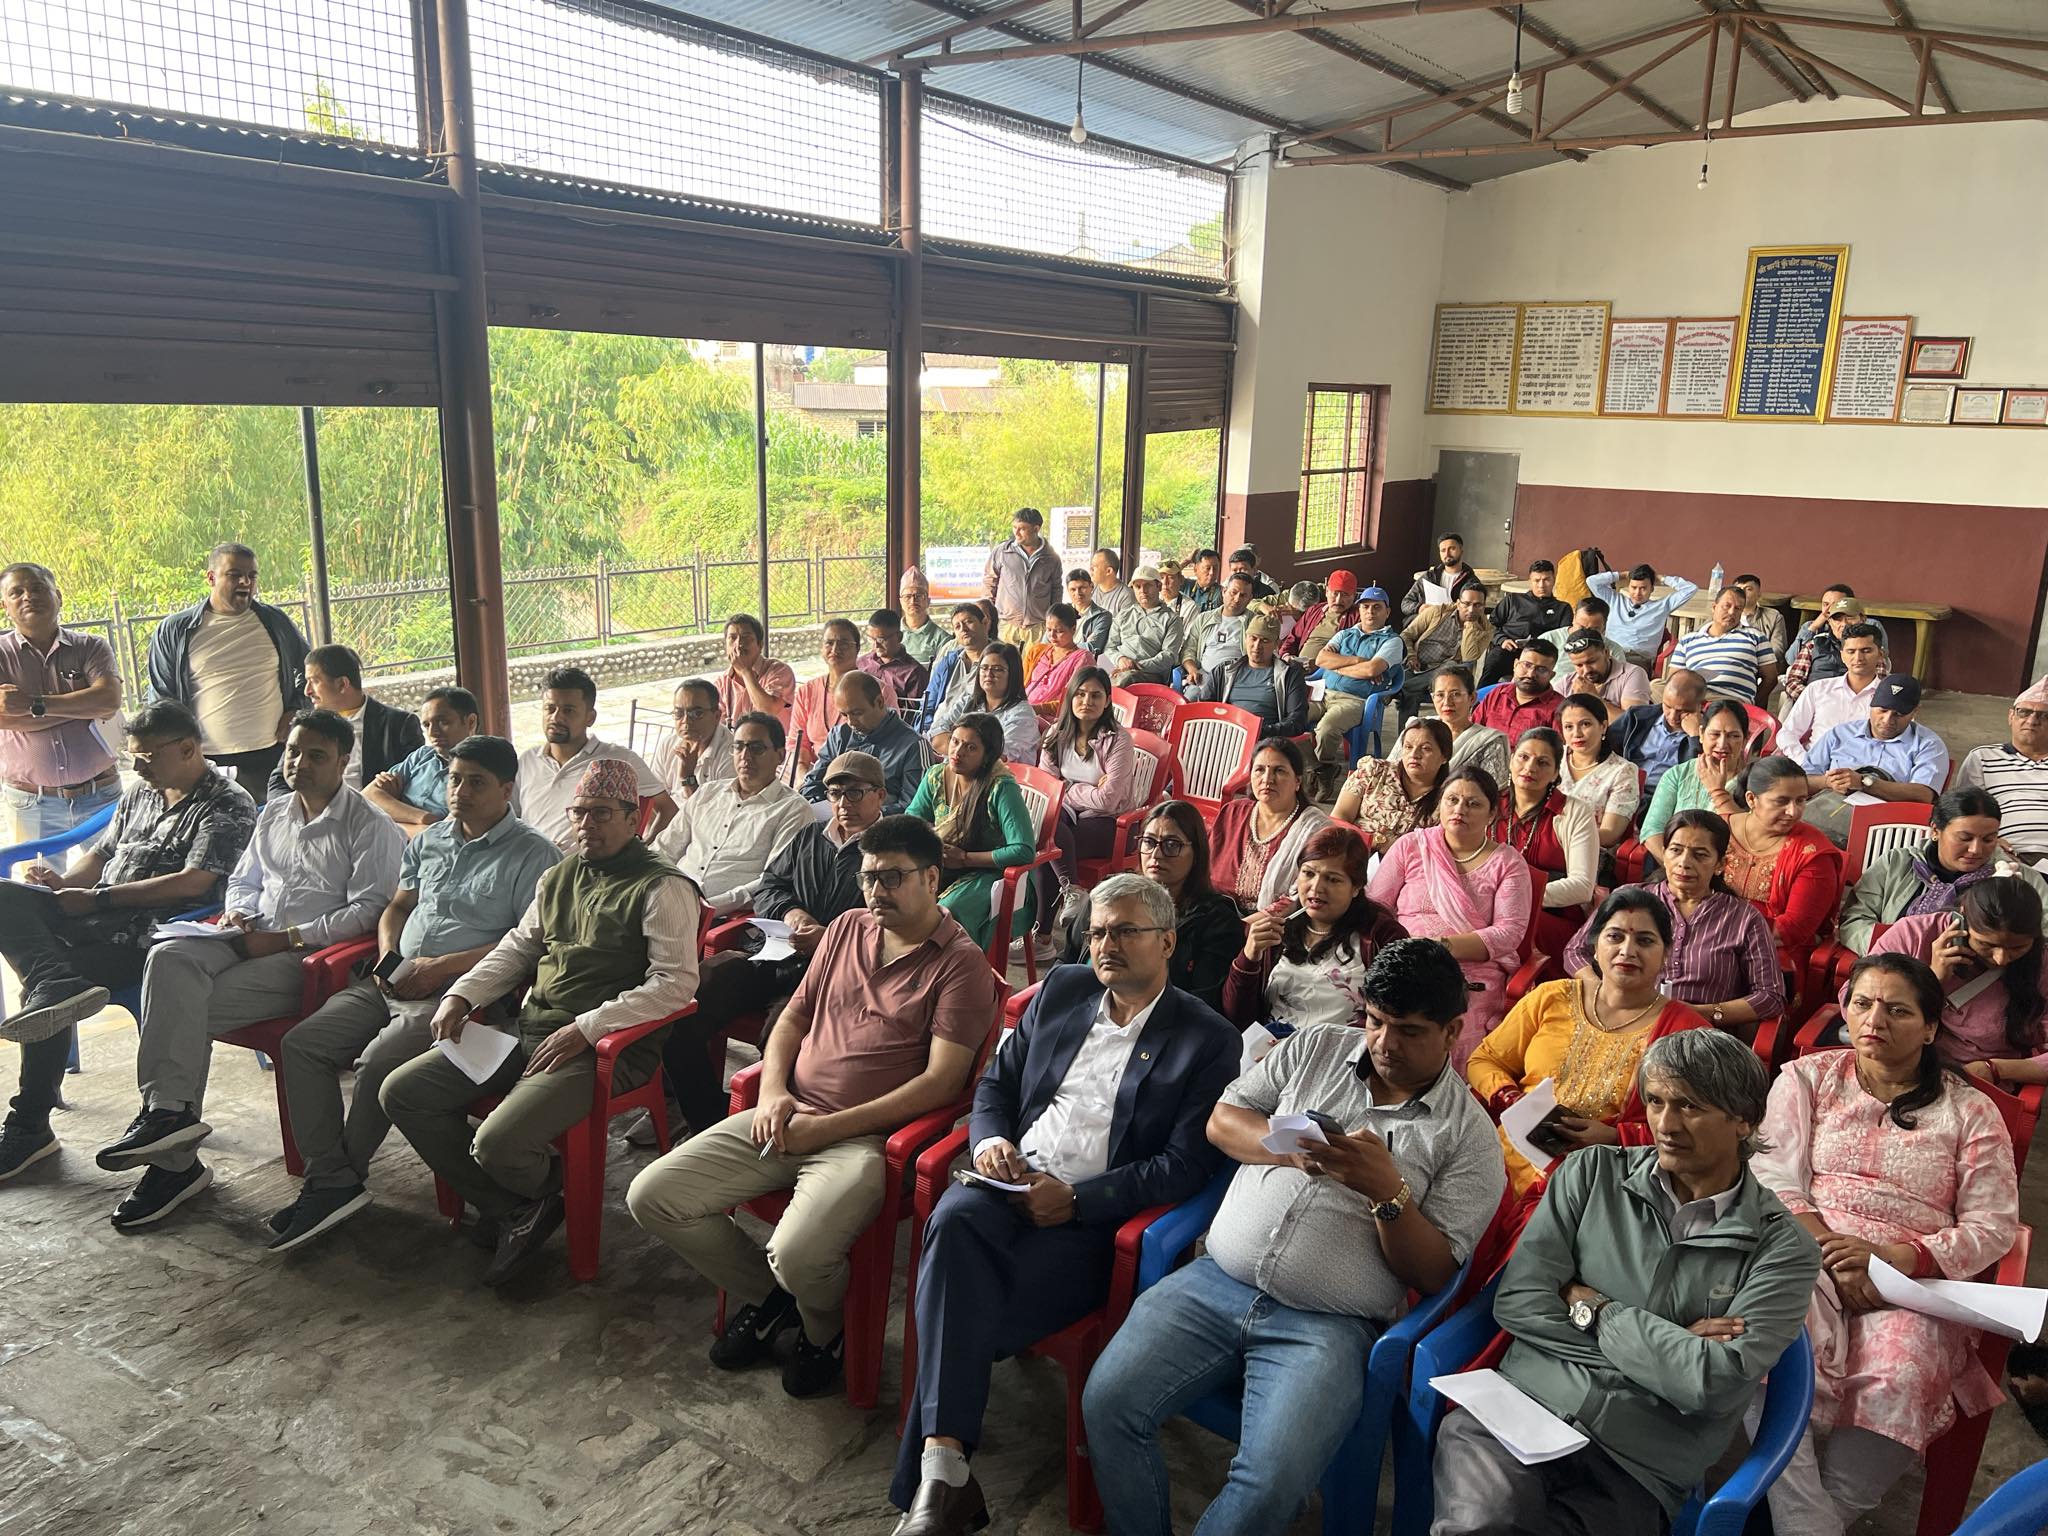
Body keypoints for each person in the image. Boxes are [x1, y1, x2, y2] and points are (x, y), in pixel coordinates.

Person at [1086, 938, 1508, 1536]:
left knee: (1268, 1484)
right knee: (1107, 1404)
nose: (1385, 1044)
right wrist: (1288, 1152)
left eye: (1410, 1031)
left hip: (1328, 1327)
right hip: (1214, 1281)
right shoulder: (1316, 1048)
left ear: (1452, 1031)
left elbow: (1435, 1273)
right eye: (1376, 1021)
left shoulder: (1470, 1139)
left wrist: (1387, 1195)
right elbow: (1222, 1120)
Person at [888, 872, 1237, 1534]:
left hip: (1094, 1225)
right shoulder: (1063, 989)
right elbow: (996, 1085)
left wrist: (1077, 1201)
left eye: (1126, 931)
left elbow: (1187, 1165)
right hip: (1011, 1183)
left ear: (1167, 941)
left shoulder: (1207, 1038)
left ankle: (935, 1485)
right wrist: (991, 1141)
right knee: (953, 1219)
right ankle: (942, 1477)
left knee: (954, 1301)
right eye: (1097, 932)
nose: (1106, 945)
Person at [627, 814, 995, 1398]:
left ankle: (824, 1331)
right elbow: (793, 1017)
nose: (876, 891)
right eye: (869, 877)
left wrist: (826, 1129)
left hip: (865, 1141)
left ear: (932, 878)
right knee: (653, 1196)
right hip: (788, 1113)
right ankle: (775, 1298)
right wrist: (774, 1091)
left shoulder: (960, 964)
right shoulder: (846, 928)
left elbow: (941, 1084)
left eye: (893, 877)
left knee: (796, 1253)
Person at [1431, 1030, 1821, 1535]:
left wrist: (1595, 1308)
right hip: (1518, 1410)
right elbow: (1520, 1302)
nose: (1665, 1124)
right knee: (1481, 1525)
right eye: (1656, 1101)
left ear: (1744, 1118)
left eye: (1690, 1106)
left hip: (1638, 1464)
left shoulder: (1783, 1248)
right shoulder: (1591, 1174)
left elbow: (1711, 1384)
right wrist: (1668, 1352)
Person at [380, 758, 699, 1282]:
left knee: (497, 1144)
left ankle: (547, 1189)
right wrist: (461, 995)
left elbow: (675, 984)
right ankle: (518, 1207)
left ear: (634, 818)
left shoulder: (662, 886)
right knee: (403, 1092)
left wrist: (588, 1027)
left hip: (603, 1049)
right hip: (532, 1030)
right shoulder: (559, 875)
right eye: (579, 813)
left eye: (601, 813)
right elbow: (519, 948)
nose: (586, 824)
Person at [94, 709, 404, 1229]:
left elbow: (369, 911)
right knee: (167, 957)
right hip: (246, 936)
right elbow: (243, 879)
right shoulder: (275, 811)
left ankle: (173, 1162)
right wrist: (238, 911)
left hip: (301, 958)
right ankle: (167, 1115)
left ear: (343, 761)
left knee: (181, 1013)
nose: (299, 763)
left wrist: (287, 938)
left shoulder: (369, 825)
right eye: (293, 751)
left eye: (316, 755)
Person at [1752, 953, 2018, 1536]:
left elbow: (1994, 1224)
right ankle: (1804, 1518)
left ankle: (1816, 1517)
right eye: (1863, 1003)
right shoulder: (1808, 1078)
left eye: (1897, 1010)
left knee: (1901, 1373)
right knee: (1765, 1336)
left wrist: (1901, 1259)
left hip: (1912, 1279)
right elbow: (1771, 1174)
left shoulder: (1970, 1110)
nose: (1874, 1019)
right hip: (1808, 1250)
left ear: (1929, 1027)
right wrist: (1828, 1247)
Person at [268, 733, 558, 1251]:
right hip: (392, 981)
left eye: (476, 783)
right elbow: (399, 906)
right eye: (454, 780)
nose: (460, 792)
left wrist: (442, 968)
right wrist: (388, 957)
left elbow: (527, 943)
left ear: (507, 789)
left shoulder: (533, 855)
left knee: (377, 1061)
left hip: (458, 999)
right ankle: (331, 1178)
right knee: (302, 1044)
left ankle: (334, 1185)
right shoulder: (430, 840)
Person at [0, 701, 256, 1180]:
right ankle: (54, 979)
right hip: (91, 914)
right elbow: (101, 855)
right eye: (132, 756)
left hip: (145, 939)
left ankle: (30, 1123)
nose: (137, 768)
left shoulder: (227, 803)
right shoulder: (142, 793)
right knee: (4, 897)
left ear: (187, 749)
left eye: (147, 757)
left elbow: (195, 882)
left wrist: (97, 899)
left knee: (45, 994)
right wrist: (63, 885)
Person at [662, 750, 893, 1139]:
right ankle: (709, 1121)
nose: (843, 804)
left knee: (781, 1037)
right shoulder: (810, 837)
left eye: (855, 793)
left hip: (834, 974)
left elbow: (896, 925)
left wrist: (829, 936)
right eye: (835, 793)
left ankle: (768, 1129)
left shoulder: (890, 851)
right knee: (687, 1005)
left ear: (880, 795)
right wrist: (791, 914)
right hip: (775, 953)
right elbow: (771, 885)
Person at [1470, 887, 1709, 1196]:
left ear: (1666, 954)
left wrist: (1614, 1137)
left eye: (1645, 941)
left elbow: (1701, 1124)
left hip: (1601, 1179)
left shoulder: (1685, 1031)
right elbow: (1484, 1059)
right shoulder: (1551, 997)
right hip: (1507, 1156)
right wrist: (1511, 1098)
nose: (1627, 950)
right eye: (1615, 937)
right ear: (1595, 947)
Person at [1368, 766, 1534, 1065]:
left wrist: (1439, 947)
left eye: (1473, 803)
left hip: (1469, 972)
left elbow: (1509, 932)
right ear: (1440, 803)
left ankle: (1448, 1091)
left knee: (1445, 1028)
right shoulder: (1412, 846)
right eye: (1452, 800)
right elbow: (1376, 908)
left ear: (1492, 813)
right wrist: (1401, 951)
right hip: (1403, 962)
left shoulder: (1508, 863)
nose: (1460, 810)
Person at [1567, 808, 1784, 1028]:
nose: (1684, 862)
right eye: (1676, 850)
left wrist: (1701, 1013)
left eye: (1700, 855)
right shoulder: (1630, 898)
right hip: (1621, 1020)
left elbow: (1770, 996)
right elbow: (1575, 951)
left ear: (1720, 864)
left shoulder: (1743, 917)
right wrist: (1601, 990)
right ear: (1664, 853)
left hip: (1697, 1033)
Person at [145, 542, 309, 798]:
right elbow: (161, 699)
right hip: (204, 762)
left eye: (252, 575)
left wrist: (297, 709)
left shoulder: (275, 622)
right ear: (211, 578)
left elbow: (313, 671)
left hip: (271, 756)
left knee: (275, 823)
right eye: (234, 575)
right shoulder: (175, 631)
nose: (245, 582)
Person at [1859, 876, 2048, 1087]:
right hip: (1897, 1067)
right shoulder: (1913, 935)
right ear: (1963, 917)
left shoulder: (2042, 964)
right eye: (1986, 944)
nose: (2000, 959)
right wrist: (1931, 980)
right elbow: (1854, 1001)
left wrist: (1996, 1069)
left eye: (2018, 947)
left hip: (1979, 1083)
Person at [1057, 801, 1244, 1012]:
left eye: (1172, 844)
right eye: (1148, 842)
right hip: (1079, 1009)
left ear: (1197, 852)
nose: (1156, 855)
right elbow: (1066, 959)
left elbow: (1203, 1003)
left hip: (1154, 1022)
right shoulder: (1110, 894)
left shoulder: (1216, 920)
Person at [1224, 822, 1406, 1032]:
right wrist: (1249, 957)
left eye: (1333, 879)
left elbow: (1393, 1017)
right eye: (1308, 873)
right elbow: (1236, 1019)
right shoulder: (1277, 928)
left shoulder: (1383, 936)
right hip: (1267, 1049)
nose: (1316, 888)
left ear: (1356, 887)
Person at [0, 561, 123, 840]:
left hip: (102, 795)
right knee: (36, 870)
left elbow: (109, 700)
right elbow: (3, 716)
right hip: (30, 803)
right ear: (4, 606)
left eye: (38, 588)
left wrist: (31, 706)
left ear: (58, 596)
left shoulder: (91, 646)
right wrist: (83, 706)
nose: (28, 597)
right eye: (17, 592)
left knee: (115, 868)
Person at [1838, 787, 2042, 953]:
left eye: (1989, 839)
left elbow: (2042, 939)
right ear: (1935, 830)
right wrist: (1897, 949)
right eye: (1964, 838)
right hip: (1893, 965)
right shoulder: (1896, 863)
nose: (1976, 849)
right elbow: (1854, 920)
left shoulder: (2020, 880)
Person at [654, 710, 812, 917]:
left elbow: (772, 881)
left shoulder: (792, 810)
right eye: (738, 747)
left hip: (722, 916)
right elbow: (665, 848)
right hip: (669, 897)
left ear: (780, 756)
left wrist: (708, 907)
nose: (745, 756)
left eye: (756, 748)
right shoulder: (708, 793)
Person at [906, 713, 1036, 949]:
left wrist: (965, 858)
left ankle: (956, 968)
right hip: (945, 863)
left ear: (987, 756)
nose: (957, 752)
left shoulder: (1001, 787)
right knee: (899, 889)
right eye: (955, 741)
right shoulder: (936, 776)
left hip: (992, 873)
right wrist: (933, 844)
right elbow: (912, 822)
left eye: (971, 747)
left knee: (948, 910)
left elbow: (1023, 850)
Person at [510, 666, 673, 847]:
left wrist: (644, 851)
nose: (556, 717)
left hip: (588, 863)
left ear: (590, 718)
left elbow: (669, 811)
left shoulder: (618, 760)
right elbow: (511, 819)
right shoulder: (527, 761)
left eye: (568, 710)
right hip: (531, 860)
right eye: (550, 708)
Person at [1036, 667, 1139, 924]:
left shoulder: (1119, 740)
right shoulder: (1056, 734)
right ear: (1070, 697)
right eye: (1080, 694)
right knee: (1047, 829)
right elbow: (1046, 790)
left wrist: (1066, 786)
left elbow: (1107, 801)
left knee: (1048, 846)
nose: (1087, 701)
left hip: (1112, 824)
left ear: (1107, 701)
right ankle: (1073, 889)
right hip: (1067, 818)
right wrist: (1088, 788)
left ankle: (1042, 934)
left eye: (1095, 695)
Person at [266, 643, 423, 797]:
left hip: (373, 810)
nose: (307, 691)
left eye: (314, 681)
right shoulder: (307, 725)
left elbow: (417, 784)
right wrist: (296, 809)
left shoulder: (399, 725)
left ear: (342, 684)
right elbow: (278, 782)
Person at [1495, 727, 1599, 958]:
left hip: (1551, 914)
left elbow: (1583, 886)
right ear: (1511, 761)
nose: (1530, 767)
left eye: (1542, 763)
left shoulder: (1575, 812)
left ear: (1555, 774)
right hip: (1488, 905)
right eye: (1523, 757)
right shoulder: (1489, 803)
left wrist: (1515, 898)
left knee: (1519, 925)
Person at [1726, 756, 1844, 951]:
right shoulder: (1717, 832)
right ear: (1751, 799)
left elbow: (1794, 928)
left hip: (1774, 950)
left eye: (1801, 801)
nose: (1793, 812)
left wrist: (1720, 936)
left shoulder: (1813, 853)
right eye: (1781, 801)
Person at [1209, 737, 1331, 913]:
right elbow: (1201, 870)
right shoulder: (1233, 812)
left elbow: (1300, 899)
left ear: (1297, 781)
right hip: (1214, 912)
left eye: (1279, 771)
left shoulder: (1314, 829)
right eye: (1259, 770)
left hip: (1271, 923)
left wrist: (1244, 925)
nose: (1267, 779)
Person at [1803, 673, 1949, 808]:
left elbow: (1924, 795)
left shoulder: (1928, 745)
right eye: (1882, 710)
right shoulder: (1840, 734)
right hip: (1827, 812)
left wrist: (1864, 783)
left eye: (1898, 714)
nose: (1887, 720)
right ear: (1871, 701)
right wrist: (1828, 782)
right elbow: (1801, 781)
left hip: (1887, 821)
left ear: (1915, 712)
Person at [1312, 584, 1403, 786]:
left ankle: (1323, 767)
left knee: (1327, 729)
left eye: (1377, 607)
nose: (1370, 611)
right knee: (1292, 716)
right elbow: (1321, 659)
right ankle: (1321, 769)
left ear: (1387, 612)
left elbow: (1371, 670)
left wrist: (1336, 667)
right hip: (1322, 693)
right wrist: (1357, 661)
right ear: (1359, 609)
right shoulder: (1345, 634)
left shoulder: (1393, 642)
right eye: (1365, 606)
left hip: (1356, 700)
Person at [800, 671, 927, 815]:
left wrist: (863, 815)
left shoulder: (913, 745)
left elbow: (914, 808)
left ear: (879, 702)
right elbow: (812, 786)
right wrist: (825, 809)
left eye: (857, 713)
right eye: (844, 715)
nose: (851, 722)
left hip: (885, 825)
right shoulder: (839, 736)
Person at [1641, 700, 1752, 863]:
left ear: (1745, 739)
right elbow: (1652, 831)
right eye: (1714, 734)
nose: (1722, 744)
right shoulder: (1678, 774)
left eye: (1733, 736)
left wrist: (1717, 791)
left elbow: (1750, 835)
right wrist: (1675, 867)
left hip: (1726, 870)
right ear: (1701, 734)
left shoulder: (1755, 782)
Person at [1956, 676, 2048, 864]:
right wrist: (1989, 841)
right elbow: (1963, 811)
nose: (2032, 721)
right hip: (2009, 854)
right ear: (2011, 716)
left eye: (2044, 715)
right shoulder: (1983, 757)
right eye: (2024, 712)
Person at [364, 686, 479, 830]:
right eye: (426, 725)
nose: (433, 732)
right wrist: (424, 818)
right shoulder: (422, 756)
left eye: (443, 722)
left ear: (471, 722)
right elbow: (368, 795)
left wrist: (393, 811)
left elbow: (443, 834)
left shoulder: (481, 770)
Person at [792, 620, 897, 770]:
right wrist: (802, 773)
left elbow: (890, 742)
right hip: (816, 771)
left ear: (857, 649)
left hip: (862, 773)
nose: (835, 649)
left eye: (843, 644)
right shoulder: (806, 692)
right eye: (829, 643)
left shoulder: (880, 691)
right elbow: (798, 743)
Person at [1334, 716, 1449, 853]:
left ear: (1444, 756)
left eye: (1426, 749)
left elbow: (1443, 850)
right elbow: (1338, 819)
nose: (1414, 754)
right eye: (1408, 747)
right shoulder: (1375, 771)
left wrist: (1397, 849)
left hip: (1407, 863)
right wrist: (1375, 841)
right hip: (1350, 852)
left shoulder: (1449, 798)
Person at [1186, 613, 1307, 739]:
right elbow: (1203, 709)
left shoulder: (1289, 674)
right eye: (1253, 638)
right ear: (1245, 639)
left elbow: (1297, 721)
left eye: (1265, 640)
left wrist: (1260, 732)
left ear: (1276, 644)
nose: (1257, 646)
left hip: (1264, 740)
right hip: (1224, 737)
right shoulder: (1223, 671)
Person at [1780, 621, 1886, 765]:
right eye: (1851, 651)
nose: (1858, 658)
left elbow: (1900, 744)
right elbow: (1787, 734)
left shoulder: (1890, 697)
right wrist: (1806, 762)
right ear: (1842, 655)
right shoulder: (1818, 689)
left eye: (1866, 651)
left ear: (1880, 654)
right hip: (1814, 767)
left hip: (1863, 772)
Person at [929, 642, 1039, 765]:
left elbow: (997, 757)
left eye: (997, 669)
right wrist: (967, 750)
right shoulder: (967, 701)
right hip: (953, 772)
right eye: (984, 668)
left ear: (1013, 674)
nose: (989, 674)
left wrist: (955, 745)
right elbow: (936, 737)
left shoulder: (1023, 715)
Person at [1556, 692, 1640, 848]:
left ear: (1603, 726)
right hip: (1537, 843)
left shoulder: (1623, 771)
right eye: (1568, 727)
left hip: (1589, 850)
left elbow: (1610, 834)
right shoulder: (1552, 757)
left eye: (1585, 724)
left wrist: (1557, 840)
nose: (1577, 733)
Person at [1668, 587, 1779, 704]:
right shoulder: (1688, 640)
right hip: (1692, 696)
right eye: (1727, 606)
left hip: (1730, 699)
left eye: (1738, 608)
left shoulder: (1756, 637)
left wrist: (1752, 704)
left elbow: (1771, 679)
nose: (1731, 612)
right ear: (1714, 607)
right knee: (1657, 686)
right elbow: (1673, 678)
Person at [1398, 586, 1492, 722]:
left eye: (1477, 605)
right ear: (1458, 603)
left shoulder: (1486, 630)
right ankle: (1407, 734)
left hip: (1446, 674)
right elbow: (1406, 635)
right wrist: (1411, 655)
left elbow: (1469, 657)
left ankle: (1400, 688)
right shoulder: (1437, 613)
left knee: (1452, 666)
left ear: (1484, 606)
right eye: (1466, 604)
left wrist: (1470, 626)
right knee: (1411, 694)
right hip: (1416, 666)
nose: (1471, 609)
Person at [1609, 668, 1707, 794]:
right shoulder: (1637, 717)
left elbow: (1695, 776)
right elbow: (1604, 745)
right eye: (1667, 706)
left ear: (1700, 706)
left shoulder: (1709, 733)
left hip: (1665, 796)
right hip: (1621, 786)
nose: (1672, 716)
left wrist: (1695, 737)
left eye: (1682, 711)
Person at [1585, 562, 1700, 669]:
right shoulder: (1614, 600)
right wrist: (1623, 575)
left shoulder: (1662, 606)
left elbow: (1690, 589)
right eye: (1633, 587)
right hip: (1610, 653)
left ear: (1652, 588)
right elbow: (1591, 581)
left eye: (1643, 588)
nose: (1637, 593)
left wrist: (1662, 578)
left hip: (1637, 659)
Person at [1481, 559, 1571, 687]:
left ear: (1554, 580)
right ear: (1530, 581)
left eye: (1546, 579)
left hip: (1540, 655)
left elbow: (1564, 636)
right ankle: (1481, 697)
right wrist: (1502, 640)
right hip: (1509, 649)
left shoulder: (1563, 608)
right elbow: (1490, 625)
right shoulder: (1512, 600)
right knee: (1495, 660)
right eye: (1537, 580)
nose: (1541, 585)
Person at [1783, 594, 1889, 701]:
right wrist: (1815, 700)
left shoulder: (1871, 648)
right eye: (1838, 620)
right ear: (1830, 622)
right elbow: (1792, 682)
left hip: (1857, 703)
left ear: (1862, 619)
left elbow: (1880, 683)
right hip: (1815, 701)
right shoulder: (1813, 645)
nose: (1844, 624)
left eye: (1850, 618)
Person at [984, 507, 1061, 647]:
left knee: (1035, 661)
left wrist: (1053, 620)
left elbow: (1056, 590)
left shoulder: (1051, 558)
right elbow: (990, 582)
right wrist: (989, 613)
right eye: (1014, 527)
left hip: (1038, 627)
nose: (1016, 532)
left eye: (1022, 529)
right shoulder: (1002, 552)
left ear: (1036, 529)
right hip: (1006, 625)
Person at [1431, 664, 1511, 796]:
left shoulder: (1489, 741)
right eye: (1440, 695)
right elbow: (1396, 773)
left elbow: (1492, 793)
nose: (1447, 702)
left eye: (1456, 694)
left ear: (1472, 698)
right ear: (1432, 698)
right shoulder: (1418, 730)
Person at [1101, 565, 1184, 690]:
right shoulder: (1124, 615)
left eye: (1148, 585)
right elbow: (1110, 647)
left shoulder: (1171, 619)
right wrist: (1120, 659)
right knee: (1090, 678)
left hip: (1151, 674)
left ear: (1158, 586)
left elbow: (1169, 656)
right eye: (1138, 587)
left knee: (1126, 679)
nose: (1143, 591)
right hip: (1119, 669)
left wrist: (1135, 666)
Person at [1470, 637, 1563, 744]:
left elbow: (1560, 750)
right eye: (1527, 665)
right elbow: (1473, 732)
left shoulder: (1560, 708)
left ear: (1551, 676)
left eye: (1541, 670)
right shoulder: (1497, 694)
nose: (1531, 674)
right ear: (1515, 665)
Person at [918, 603, 992, 733]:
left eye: (969, 622)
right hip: (936, 731)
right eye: (957, 627)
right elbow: (928, 705)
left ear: (985, 623)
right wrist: (928, 732)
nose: (963, 629)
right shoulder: (949, 662)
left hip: (974, 734)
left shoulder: (998, 662)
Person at [714, 613, 796, 728]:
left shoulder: (779, 671)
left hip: (772, 739)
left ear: (760, 645)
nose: (739, 644)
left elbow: (768, 711)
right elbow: (716, 726)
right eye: (732, 638)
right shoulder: (721, 683)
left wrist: (745, 671)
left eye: (746, 637)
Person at [1180, 572, 1255, 695]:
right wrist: (1192, 670)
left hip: (1238, 680)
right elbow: (1188, 649)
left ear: (1250, 599)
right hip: (1204, 676)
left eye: (1243, 595)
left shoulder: (1254, 622)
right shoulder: (1204, 619)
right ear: (1224, 591)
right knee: (1189, 700)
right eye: (1233, 592)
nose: (1237, 599)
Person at [663, 678, 735, 800]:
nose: (686, 721)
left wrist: (688, 778)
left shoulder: (732, 753)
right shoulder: (668, 744)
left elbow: (717, 810)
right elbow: (656, 797)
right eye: (679, 713)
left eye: (697, 714)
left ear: (717, 716)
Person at [1021, 602, 1093, 722]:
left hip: (1055, 720)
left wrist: (1037, 709)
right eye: (1048, 630)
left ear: (1073, 629)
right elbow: (1019, 685)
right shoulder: (1037, 651)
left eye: (1059, 631)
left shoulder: (1083, 659)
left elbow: (1075, 699)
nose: (1052, 636)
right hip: (1024, 712)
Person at [1559, 630, 1650, 721]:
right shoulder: (1566, 683)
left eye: (1591, 662)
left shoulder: (1632, 674)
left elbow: (1633, 723)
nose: (1587, 670)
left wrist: (1593, 697)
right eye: (1579, 665)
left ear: (1606, 653)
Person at [1398, 532, 1486, 625]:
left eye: (1452, 549)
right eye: (1443, 550)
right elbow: (1406, 603)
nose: (1447, 554)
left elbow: (1477, 611)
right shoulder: (1429, 577)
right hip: (1426, 623)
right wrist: (1420, 608)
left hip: (1454, 626)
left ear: (1461, 551)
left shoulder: (1471, 581)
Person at [1278, 569, 1360, 663]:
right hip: (1297, 666)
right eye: (1335, 593)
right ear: (1327, 591)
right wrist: (1286, 655)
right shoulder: (1314, 610)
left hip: (1329, 669)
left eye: (1345, 595)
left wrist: (1318, 666)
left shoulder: (1358, 617)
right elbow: (1293, 638)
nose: (1338, 600)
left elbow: (1352, 654)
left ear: (1354, 596)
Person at [861, 608, 930, 704]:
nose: (876, 645)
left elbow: (914, 712)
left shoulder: (914, 673)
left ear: (899, 637)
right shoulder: (861, 663)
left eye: (881, 640)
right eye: (871, 639)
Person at [1539, 595, 1627, 671]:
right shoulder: (1548, 640)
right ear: (1574, 618)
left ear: (1604, 626)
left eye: (1594, 630)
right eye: (1581, 627)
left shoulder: (1614, 650)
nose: (1586, 634)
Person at [898, 568, 950, 670]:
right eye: (907, 596)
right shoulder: (892, 634)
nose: (913, 601)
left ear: (928, 601)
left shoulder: (942, 639)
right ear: (901, 601)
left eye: (919, 596)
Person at [1731, 574, 1789, 662]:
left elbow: (1778, 649)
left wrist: (1752, 659)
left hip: (1760, 664)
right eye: (1739, 590)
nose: (1743, 592)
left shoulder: (1773, 617)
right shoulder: (1725, 615)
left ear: (1759, 594)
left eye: (1748, 589)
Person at [1066, 569, 1111, 656]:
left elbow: (1092, 647)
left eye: (1082, 588)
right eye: (1073, 589)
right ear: (1068, 590)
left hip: (1083, 661)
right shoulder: (1060, 612)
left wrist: (1061, 648)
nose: (1078, 593)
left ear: (1091, 586)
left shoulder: (1102, 616)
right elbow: (1045, 644)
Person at [1156, 557, 1199, 632]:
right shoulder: (1152, 601)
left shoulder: (1189, 607)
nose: (1165, 582)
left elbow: (1189, 637)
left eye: (1170, 577)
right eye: (1162, 577)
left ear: (1181, 580)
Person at [1089, 546, 1133, 617]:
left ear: (1109, 571)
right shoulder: (1090, 589)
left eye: (1095, 566)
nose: (1090, 569)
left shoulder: (1125, 596)